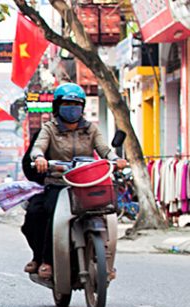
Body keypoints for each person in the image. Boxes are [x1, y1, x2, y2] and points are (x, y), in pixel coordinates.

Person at [23, 82, 127, 279]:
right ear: (57, 107)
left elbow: (104, 150)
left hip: (87, 184)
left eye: (76, 104)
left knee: (106, 213)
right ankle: (45, 259)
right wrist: (39, 159)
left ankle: (106, 262)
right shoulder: (49, 129)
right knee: (42, 214)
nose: (72, 108)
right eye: (67, 104)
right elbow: (39, 147)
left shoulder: (91, 129)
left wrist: (115, 160)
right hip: (59, 183)